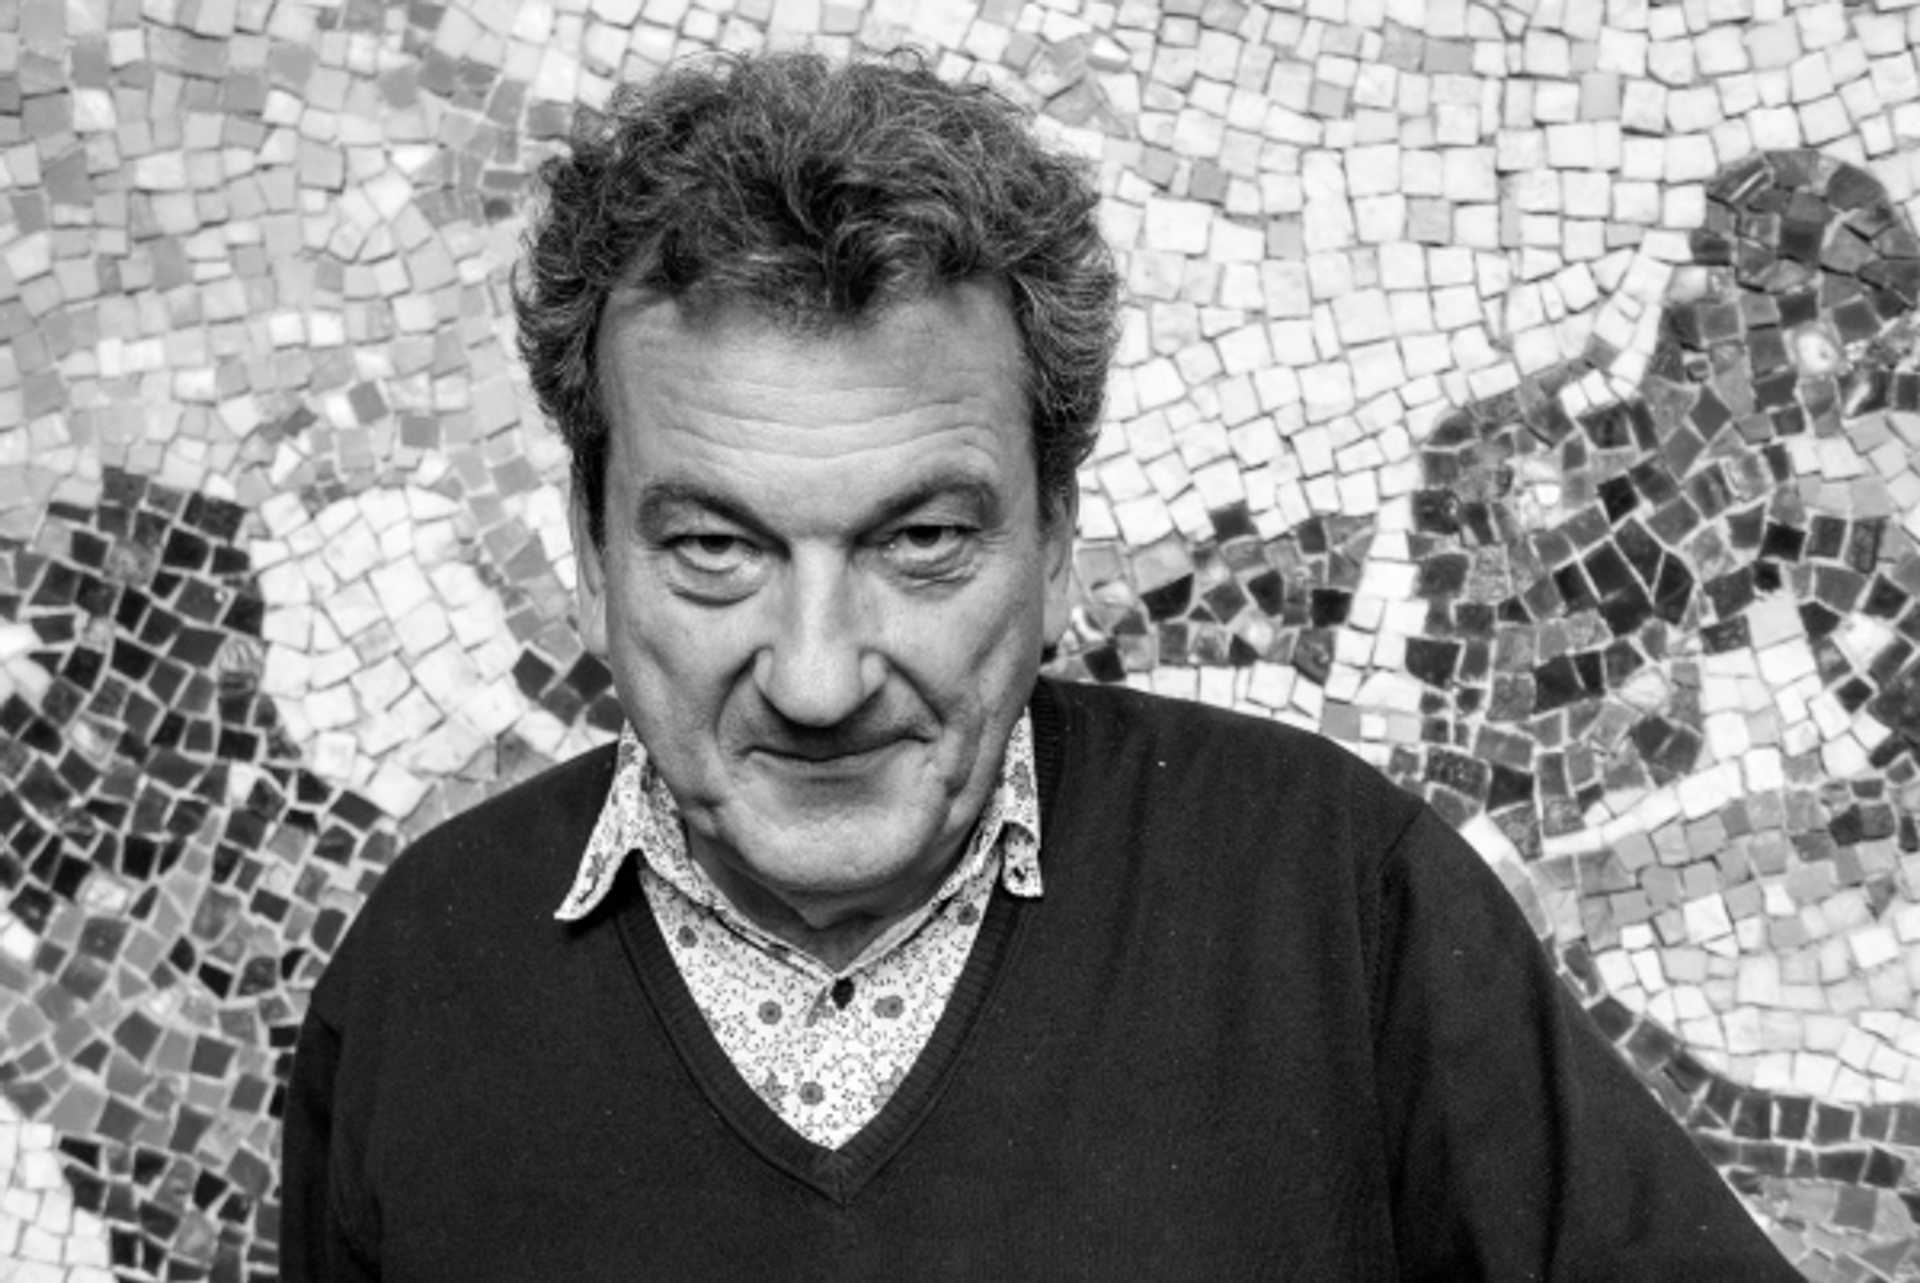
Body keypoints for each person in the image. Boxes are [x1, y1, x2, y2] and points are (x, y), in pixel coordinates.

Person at [280, 51, 1800, 1281]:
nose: (818, 679)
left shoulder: (1343, 902)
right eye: (716, 549)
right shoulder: (418, 979)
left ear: (1058, 539)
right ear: (589, 545)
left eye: (923, 540)